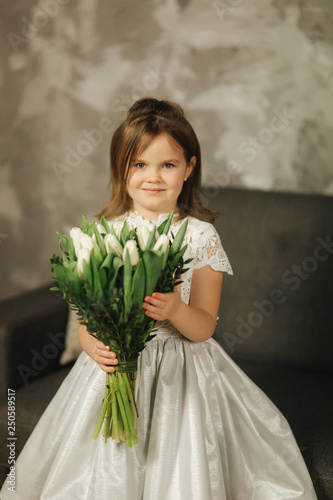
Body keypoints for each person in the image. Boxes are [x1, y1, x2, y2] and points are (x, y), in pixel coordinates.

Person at [1, 97, 317, 500]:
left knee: (175, 466)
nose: (153, 176)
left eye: (168, 164)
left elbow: (204, 326)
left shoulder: (200, 237)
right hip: (112, 372)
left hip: (181, 373)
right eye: (140, 164)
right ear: (121, 168)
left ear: (189, 167)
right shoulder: (104, 233)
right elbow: (85, 322)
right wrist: (92, 344)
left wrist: (175, 308)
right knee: (105, 463)